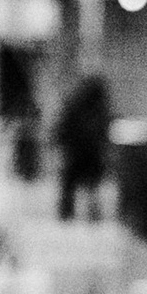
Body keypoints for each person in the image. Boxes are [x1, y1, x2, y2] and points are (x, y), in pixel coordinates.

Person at [56, 66, 113, 221]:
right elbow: (104, 133)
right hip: (90, 154)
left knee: (71, 186)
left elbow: (63, 128)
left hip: (78, 153)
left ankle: (67, 214)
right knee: (90, 187)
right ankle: (91, 215)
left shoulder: (76, 107)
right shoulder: (100, 110)